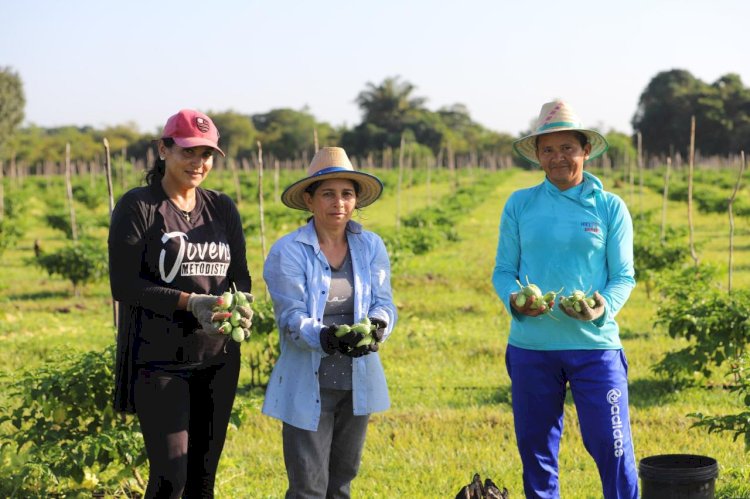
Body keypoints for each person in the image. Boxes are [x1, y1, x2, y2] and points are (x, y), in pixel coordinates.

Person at [492, 100, 638, 498]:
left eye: (567, 148)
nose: (558, 158)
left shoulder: (609, 207)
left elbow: (623, 276)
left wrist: (602, 305)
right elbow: (504, 272)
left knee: (612, 446)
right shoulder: (520, 204)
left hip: (595, 347)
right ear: (538, 155)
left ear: (585, 151)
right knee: (536, 449)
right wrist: (516, 301)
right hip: (532, 347)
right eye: (549, 150)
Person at [108, 109, 253, 498]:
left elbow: (239, 274)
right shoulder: (140, 207)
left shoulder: (221, 207)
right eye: (188, 151)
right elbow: (123, 285)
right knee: (172, 477)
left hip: (218, 359)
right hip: (159, 362)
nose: (198, 163)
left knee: (203, 480)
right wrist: (191, 303)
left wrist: (242, 303)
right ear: (163, 149)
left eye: (206, 154)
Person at [262, 146, 397, 498]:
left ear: (355, 201)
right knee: (308, 485)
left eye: (346, 194)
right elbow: (291, 315)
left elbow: (384, 302)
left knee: (342, 480)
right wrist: (325, 337)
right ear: (309, 200)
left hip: (357, 379)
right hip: (310, 378)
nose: (338, 203)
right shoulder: (288, 251)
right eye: (327, 194)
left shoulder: (369, 246)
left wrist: (379, 326)